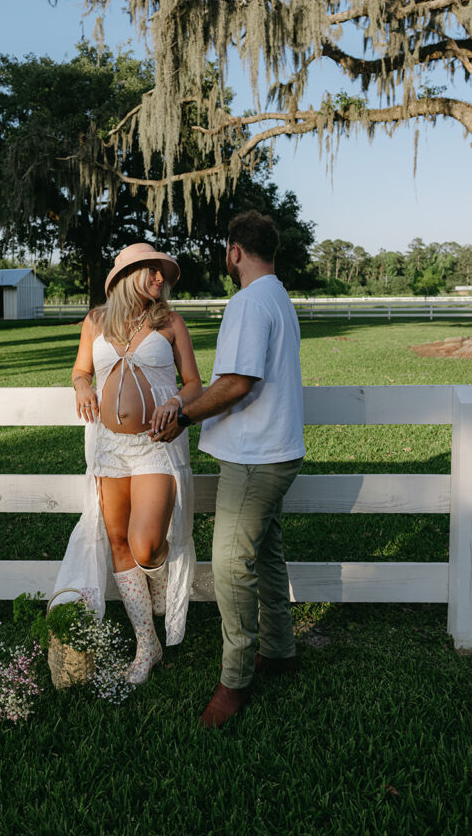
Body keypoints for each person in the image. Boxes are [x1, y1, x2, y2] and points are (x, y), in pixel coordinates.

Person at [152, 210, 305, 727]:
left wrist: (182, 415)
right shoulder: (279, 297)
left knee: (232, 566)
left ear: (235, 251)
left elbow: (238, 382)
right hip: (277, 450)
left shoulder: (248, 301)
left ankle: (234, 681)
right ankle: (280, 649)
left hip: (256, 457)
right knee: (267, 552)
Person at [51, 242, 202, 683]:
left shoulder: (170, 322)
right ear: (126, 276)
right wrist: (81, 386)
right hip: (109, 449)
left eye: (162, 274)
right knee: (118, 541)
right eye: (152, 272)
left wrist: (175, 401)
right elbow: (81, 371)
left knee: (145, 542)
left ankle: (158, 596)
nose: (161, 280)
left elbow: (194, 383)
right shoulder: (96, 321)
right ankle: (146, 644)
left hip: (156, 445)